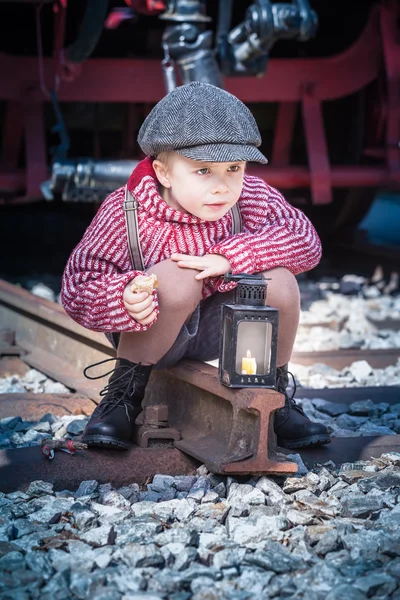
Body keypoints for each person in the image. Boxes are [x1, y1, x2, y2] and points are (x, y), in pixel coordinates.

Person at [61, 81, 331, 451]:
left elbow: (305, 240)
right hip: (153, 332)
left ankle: (274, 395)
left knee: (280, 281)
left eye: (233, 167)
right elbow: (77, 285)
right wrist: (121, 298)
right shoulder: (127, 211)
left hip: (224, 330)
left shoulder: (251, 196)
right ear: (164, 172)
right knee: (179, 277)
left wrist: (231, 257)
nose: (222, 187)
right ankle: (122, 398)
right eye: (203, 171)